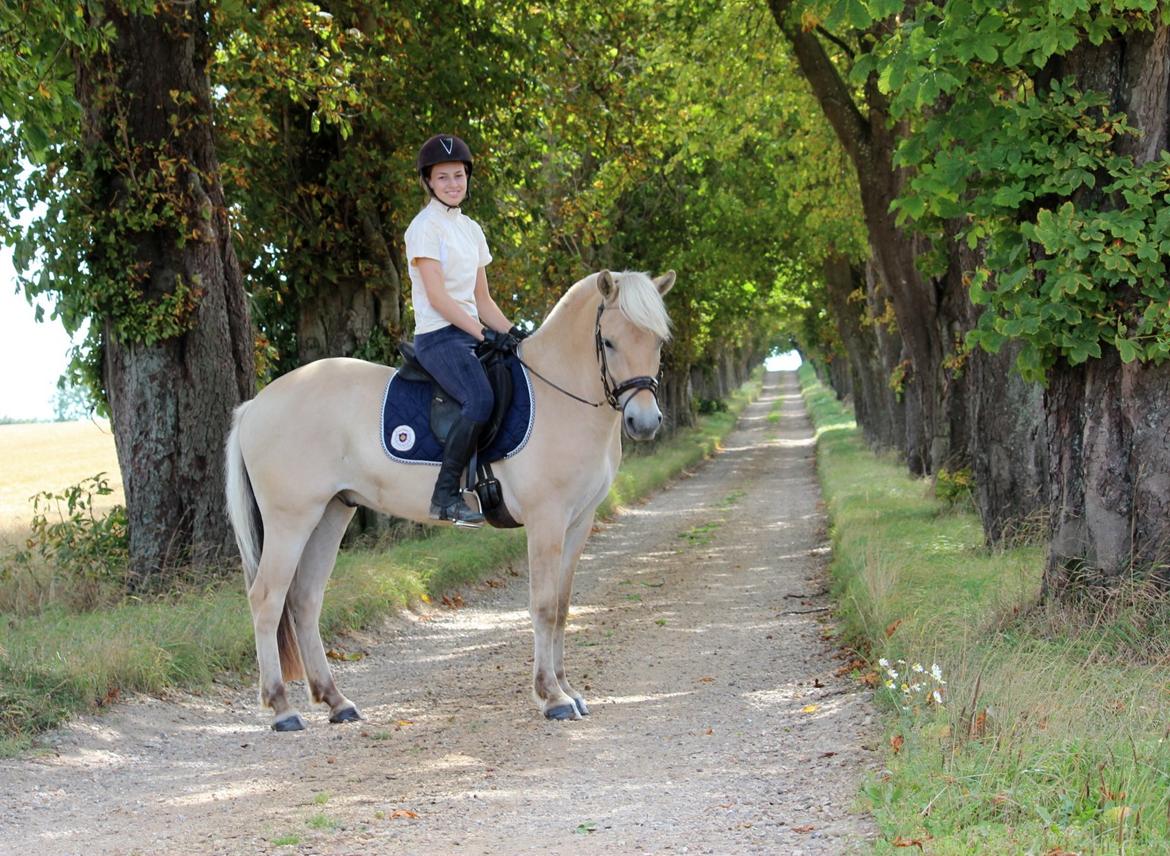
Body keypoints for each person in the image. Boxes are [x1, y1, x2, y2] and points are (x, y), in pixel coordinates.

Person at [404, 134, 526, 526]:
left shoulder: (471, 230)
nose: (453, 184)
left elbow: (483, 300)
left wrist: (516, 335)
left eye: (459, 175)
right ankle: (445, 496)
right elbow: (438, 297)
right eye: (444, 178)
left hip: (470, 332)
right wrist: (481, 334)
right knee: (479, 398)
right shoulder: (424, 228)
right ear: (429, 182)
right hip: (440, 336)